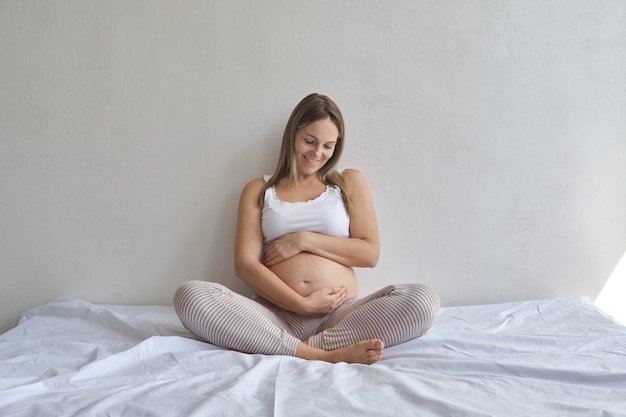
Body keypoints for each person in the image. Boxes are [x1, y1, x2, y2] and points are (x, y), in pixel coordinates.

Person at [174, 93, 440, 365]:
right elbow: (244, 266)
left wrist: (304, 240)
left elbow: (369, 253)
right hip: (274, 314)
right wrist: (301, 304)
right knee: (191, 296)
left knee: (423, 300)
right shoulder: (259, 190)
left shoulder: (348, 182)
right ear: (292, 135)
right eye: (309, 141)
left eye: (328, 146)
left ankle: (272, 345)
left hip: (338, 315)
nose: (317, 153)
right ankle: (320, 354)